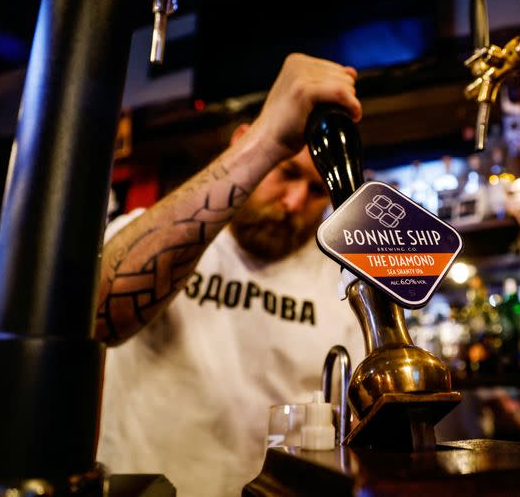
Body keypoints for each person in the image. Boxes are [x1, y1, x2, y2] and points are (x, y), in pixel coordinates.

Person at [95, 54, 366, 497]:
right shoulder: (155, 231)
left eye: (317, 190)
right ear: (245, 142)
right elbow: (96, 318)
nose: (295, 202)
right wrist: (265, 141)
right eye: (287, 172)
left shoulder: (343, 284)